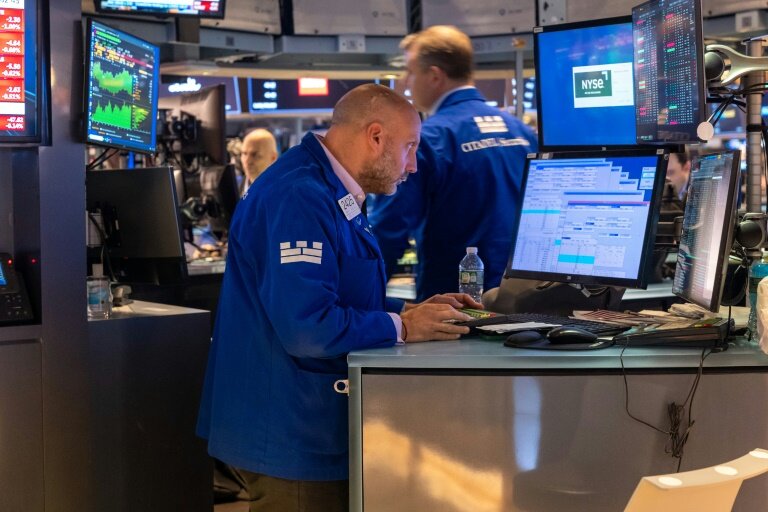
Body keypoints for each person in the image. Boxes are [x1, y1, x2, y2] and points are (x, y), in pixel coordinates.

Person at [196, 84, 479, 512]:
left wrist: (410, 310)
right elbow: (308, 325)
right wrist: (403, 327)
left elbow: (340, 288)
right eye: (409, 148)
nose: (414, 166)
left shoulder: (332, 188)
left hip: (309, 423)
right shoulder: (300, 196)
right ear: (376, 137)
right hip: (290, 430)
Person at [369, 25, 539, 302]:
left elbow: (390, 228)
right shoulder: (521, 132)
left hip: (453, 305)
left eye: (411, 71)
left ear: (435, 76)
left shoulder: (428, 139)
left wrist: (360, 300)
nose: (406, 80)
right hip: (524, 302)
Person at [238, 128, 278, 196]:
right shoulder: (233, 190)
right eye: (244, 153)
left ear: (273, 158)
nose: (247, 161)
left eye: (254, 155)